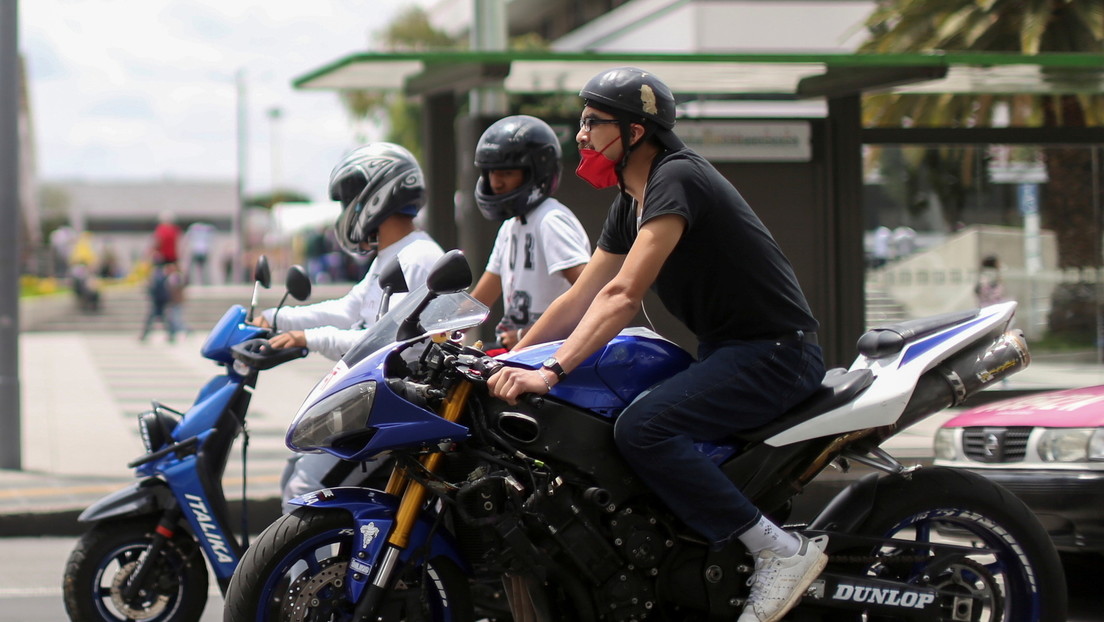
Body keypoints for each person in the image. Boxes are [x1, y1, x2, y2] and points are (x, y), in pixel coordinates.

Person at [487, 67, 828, 622]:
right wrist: (510, 357)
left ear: (636, 131)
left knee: (643, 428)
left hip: (775, 353)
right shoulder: (630, 201)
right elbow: (578, 298)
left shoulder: (677, 180)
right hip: (730, 351)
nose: (580, 135)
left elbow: (621, 296)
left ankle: (779, 552)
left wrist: (549, 372)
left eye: (593, 122)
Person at [253, 142, 444, 511]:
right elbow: (347, 309)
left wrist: (306, 338)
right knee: (300, 466)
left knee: (305, 487)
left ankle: (310, 569)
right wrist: (278, 318)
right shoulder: (393, 253)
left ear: (375, 195)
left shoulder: (417, 257)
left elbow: (384, 343)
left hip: (393, 408)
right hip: (373, 398)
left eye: (348, 200)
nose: (346, 211)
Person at [468, 115, 591, 351]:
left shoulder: (550, 220)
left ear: (536, 172)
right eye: (491, 172)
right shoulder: (510, 226)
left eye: (507, 173)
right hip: (521, 354)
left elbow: (590, 294)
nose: (496, 183)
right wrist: (439, 330)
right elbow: (480, 300)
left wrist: (527, 334)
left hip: (552, 357)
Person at [139, 258, 178, 343]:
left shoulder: (160, 276)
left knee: (165, 320)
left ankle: (171, 335)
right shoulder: (159, 276)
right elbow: (155, 289)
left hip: (161, 302)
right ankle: (145, 335)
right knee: (155, 320)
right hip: (158, 302)